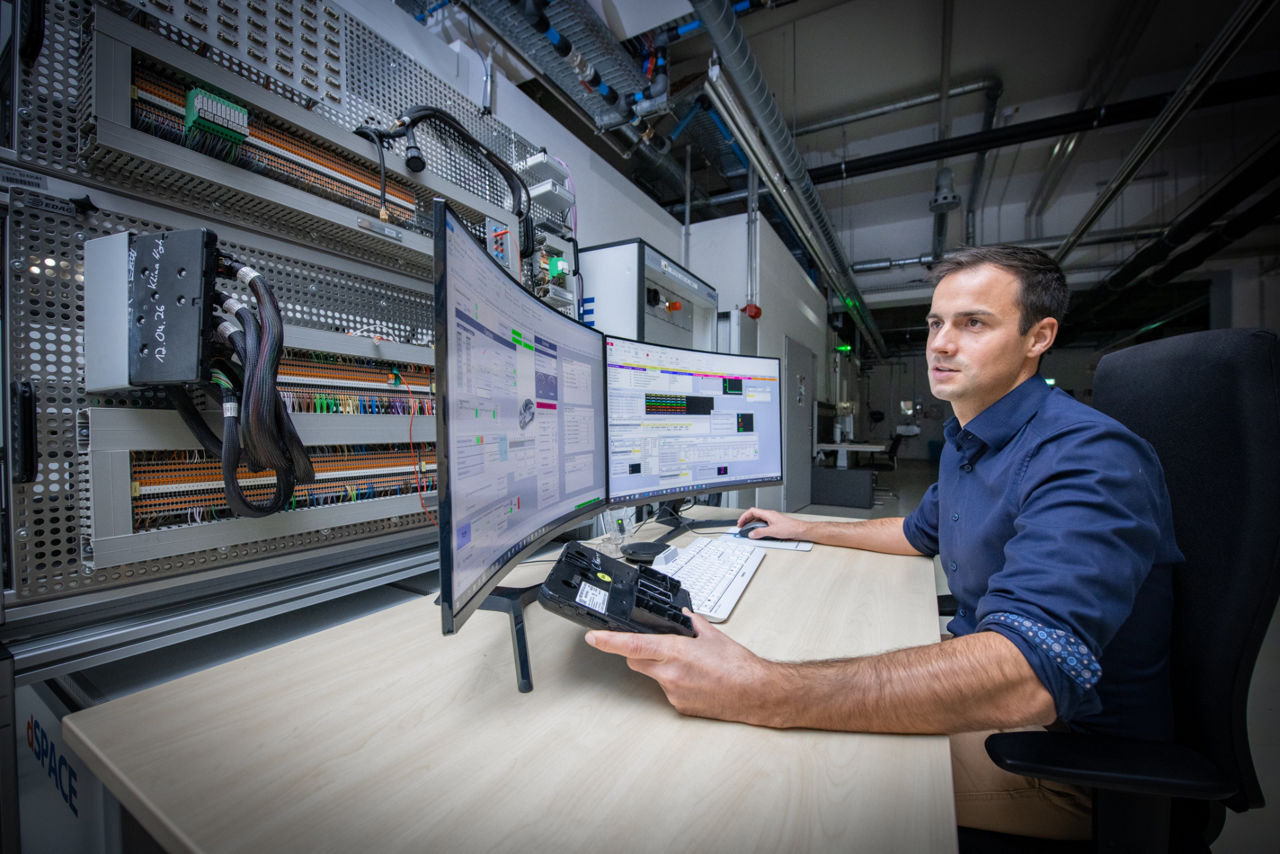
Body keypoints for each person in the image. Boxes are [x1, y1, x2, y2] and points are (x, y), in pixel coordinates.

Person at [585, 245, 1182, 841]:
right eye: (935, 323)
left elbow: (1027, 677)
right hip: (1005, 709)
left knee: (749, 768)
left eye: (973, 323)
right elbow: (918, 532)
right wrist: (805, 527)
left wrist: (763, 689)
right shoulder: (972, 440)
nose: (941, 344)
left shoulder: (1085, 456)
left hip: (1062, 762)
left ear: (1038, 337)